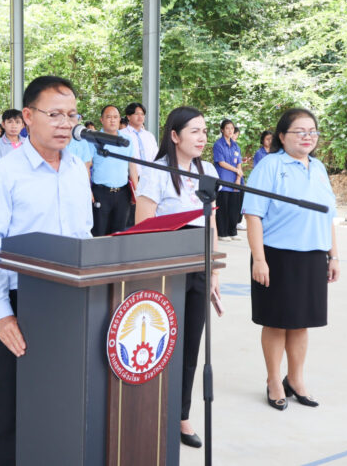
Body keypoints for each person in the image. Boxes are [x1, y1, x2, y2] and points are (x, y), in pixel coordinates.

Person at [0, 75, 92, 466]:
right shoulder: (4, 174)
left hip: (73, 298)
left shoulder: (77, 169)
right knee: (11, 406)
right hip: (21, 302)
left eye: (71, 115)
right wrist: (2, 315)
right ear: (27, 116)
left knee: (62, 398)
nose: (65, 124)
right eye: (55, 114)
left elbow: (84, 234)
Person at [135, 106, 220, 449]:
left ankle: (181, 414)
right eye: (195, 131)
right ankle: (150, 410)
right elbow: (143, 223)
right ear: (174, 135)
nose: (202, 137)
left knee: (189, 345)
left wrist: (212, 270)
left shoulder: (209, 171)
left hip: (198, 264)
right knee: (158, 344)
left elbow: (210, 223)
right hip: (165, 269)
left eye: (204, 131)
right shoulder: (155, 171)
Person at [242, 108, 338, 411]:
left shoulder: (319, 168)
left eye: (313, 131)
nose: (308, 136)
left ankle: (295, 379)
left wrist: (333, 255)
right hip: (277, 255)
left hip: (312, 256)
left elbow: (328, 216)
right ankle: (273, 380)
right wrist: (259, 259)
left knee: (301, 323)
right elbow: (253, 214)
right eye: (300, 131)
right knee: (276, 321)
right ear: (282, 136)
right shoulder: (270, 166)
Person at [89, 105, 137, 236]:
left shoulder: (127, 140)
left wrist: (137, 190)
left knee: (119, 233)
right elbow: (86, 166)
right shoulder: (93, 139)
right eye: (108, 117)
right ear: (101, 120)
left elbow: (132, 165)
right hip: (100, 193)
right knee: (99, 232)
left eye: (115, 117)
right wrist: (87, 190)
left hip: (123, 193)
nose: (112, 120)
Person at [121, 102, 159, 227]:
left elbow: (156, 157)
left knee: (147, 210)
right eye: (136, 114)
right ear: (128, 116)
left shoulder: (149, 136)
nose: (140, 117)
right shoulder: (122, 135)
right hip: (130, 179)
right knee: (132, 212)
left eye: (142, 114)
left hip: (148, 177)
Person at [213, 119, 243, 241]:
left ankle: (232, 231)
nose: (230, 131)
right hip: (224, 180)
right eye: (227, 128)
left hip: (235, 181)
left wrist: (238, 178)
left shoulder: (236, 146)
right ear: (222, 130)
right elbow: (221, 162)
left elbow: (239, 163)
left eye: (232, 128)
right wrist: (236, 171)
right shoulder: (218, 144)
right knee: (223, 207)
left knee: (234, 208)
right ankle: (222, 233)